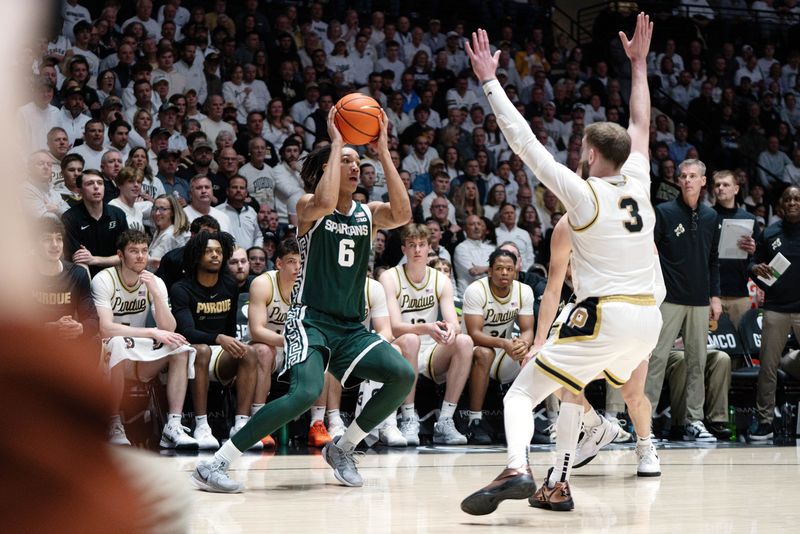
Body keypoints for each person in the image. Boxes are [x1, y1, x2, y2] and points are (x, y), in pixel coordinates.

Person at [461, 15, 661, 515]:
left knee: (519, 396)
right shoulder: (639, 181)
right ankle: (558, 483)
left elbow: (525, 143)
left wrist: (489, 79)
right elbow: (642, 124)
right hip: (648, 323)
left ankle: (516, 467)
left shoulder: (585, 195)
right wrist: (639, 66)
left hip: (605, 313)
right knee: (568, 386)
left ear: (589, 154)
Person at [191, 106, 413, 492]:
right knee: (306, 392)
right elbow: (326, 203)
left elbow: (403, 213)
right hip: (310, 320)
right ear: (328, 168)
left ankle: (343, 448)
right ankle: (217, 463)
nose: (355, 167)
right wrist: (339, 141)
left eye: (357, 163)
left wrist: (384, 151)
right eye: (345, 162)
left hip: (350, 326)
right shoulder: (308, 207)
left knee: (403, 375)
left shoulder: (368, 212)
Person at [535, 216, 664, 473]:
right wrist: (538, 341)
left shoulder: (631, 219)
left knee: (632, 394)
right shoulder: (566, 225)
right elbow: (553, 288)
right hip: (588, 311)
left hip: (633, 311)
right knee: (550, 372)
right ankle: (596, 426)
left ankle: (645, 444)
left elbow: (657, 283)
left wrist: (646, 322)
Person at [92, 230, 198, 449]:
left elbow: (168, 328)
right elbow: (105, 328)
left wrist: (157, 294)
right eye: (133, 251)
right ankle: (113, 421)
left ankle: (173, 426)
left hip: (140, 355)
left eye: (144, 251)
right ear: (120, 255)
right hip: (108, 352)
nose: (141, 256)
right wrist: (151, 332)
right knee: (118, 343)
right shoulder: (104, 279)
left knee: (180, 347)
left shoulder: (155, 281)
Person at [645, 158, 722, 443]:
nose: (688, 180)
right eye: (683, 176)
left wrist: (715, 296)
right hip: (668, 299)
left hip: (701, 300)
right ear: (678, 181)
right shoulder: (663, 213)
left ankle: (694, 420)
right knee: (657, 360)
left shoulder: (712, 217)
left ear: (703, 182)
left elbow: (714, 260)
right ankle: (645, 421)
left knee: (697, 362)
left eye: (693, 176)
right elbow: (649, 255)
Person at [380, 224, 473, 446]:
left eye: (422, 245)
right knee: (411, 340)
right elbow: (393, 327)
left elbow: (454, 323)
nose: (417, 250)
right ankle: (409, 418)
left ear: (429, 247)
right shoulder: (390, 277)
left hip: (431, 351)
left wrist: (451, 330)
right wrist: (427, 328)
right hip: (400, 347)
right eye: (412, 245)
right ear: (403, 249)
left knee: (465, 341)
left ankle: (446, 421)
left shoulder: (440, 279)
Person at [171, 231, 260, 450]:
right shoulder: (181, 289)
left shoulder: (229, 285)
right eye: (209, 251)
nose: (215, 256)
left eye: (219, 252)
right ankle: (202, 425)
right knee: (201, 350)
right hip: (190, 352)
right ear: (196, 255)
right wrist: (218, 338)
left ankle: (241, 425)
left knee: (249, 352)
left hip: (219, 354)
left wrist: (229, 345)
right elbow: (187, 331)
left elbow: (229, 328)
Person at [462, 248, 534, 444]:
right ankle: (474, 421)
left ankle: (532, 420)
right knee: (485, 353)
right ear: (490, 271)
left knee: (535, 355)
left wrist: (524, 343)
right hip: (469, 352)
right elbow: (474, 334)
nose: (504, 273)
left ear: (515, 272)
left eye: (509, 269)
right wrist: (504, 342)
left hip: (504, 350)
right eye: (500, 268)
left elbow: (528, 329)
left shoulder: (524, 291)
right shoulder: (476, 290)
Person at [749, 186, 800, 440]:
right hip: (776, 309)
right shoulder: (769, 233)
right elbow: (752, 264)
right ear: (781, 204)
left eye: (797, 199)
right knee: (767, 367)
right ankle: (765, 422)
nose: (792, 203)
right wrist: (756, 269)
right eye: (788, 199)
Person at [246, 238, 301, 449]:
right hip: (269, 345)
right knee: (263, 351)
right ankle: (259, 421)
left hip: (294, 347)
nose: (298, 267)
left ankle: (319, 422)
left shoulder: (308, 285)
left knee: (321, 353)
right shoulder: (263, 283)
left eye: (300, 262)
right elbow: (256, 330)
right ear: (279, 264)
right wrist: (288, 341)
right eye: (291, 262)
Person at [33, 216, 98, 342]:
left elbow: (93, 319)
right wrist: (50, 327)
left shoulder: (77, 274)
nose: (55, 245)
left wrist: (79, 327)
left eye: (59, 239)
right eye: (47, 239)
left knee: (93, 341)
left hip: (66, 339)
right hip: (33, 341)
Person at [712, 170, 760, 328]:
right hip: (710, 294)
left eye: (726, 184)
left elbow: (758, 259)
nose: (721, 188)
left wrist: (754, 250)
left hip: (739, 294)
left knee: (742, 347)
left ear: (736, 189)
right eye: (717, 185)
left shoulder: (750, 219)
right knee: (710, 346)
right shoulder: (705, 216)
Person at [61, 170, 129, 276]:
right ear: (79, 191)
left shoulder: (118, 214)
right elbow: (79, 261)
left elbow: (126, 256)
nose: (96, 187)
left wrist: (95, 259)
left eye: (100, 183)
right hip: (84, 276)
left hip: (117, 276)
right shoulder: (69, 218)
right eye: (90, 183)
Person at [453, 214, 494, 297]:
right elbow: (474, 272)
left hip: (489, 295)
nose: (476, 227)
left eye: (479, 224)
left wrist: (483, 269)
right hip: (468, 295)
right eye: (472, 224)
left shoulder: (491, 249)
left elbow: (498, 271)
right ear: (465, 229)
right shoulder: (461, 248)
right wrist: (491, 269)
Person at [218, 175, 262, 249]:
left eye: (242, 188)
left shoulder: (251, 212)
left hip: (248, 259)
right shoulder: (218, 212)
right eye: (234, 187)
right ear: (227, 191)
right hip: (227, 258)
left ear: (246, 193)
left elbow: (258, 236)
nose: (238, 190)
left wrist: (255, 252)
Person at [148, 194, 190, 271]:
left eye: (162, 209)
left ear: (173, 212)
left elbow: (151, 268)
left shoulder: (169, 235)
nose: (157, 213)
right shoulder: (160, 230)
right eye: (155, 208)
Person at [22, 151, 70, 217]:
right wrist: (61, 210)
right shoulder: (25, 190)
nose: (46, 167)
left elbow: (71, 214)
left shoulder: (52, 189)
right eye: (41, 163)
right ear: (30, 167)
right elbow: (46, 220)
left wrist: (57, 209)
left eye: (49, 164)